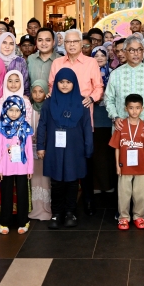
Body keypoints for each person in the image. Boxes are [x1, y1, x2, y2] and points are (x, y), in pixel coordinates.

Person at [36, 68, 94, 229]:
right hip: (54, 148)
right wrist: (40, 146)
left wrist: (88, 148)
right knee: (56, 182)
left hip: (75, 149)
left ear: (74, 83)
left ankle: (70, 213)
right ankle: (56, 213)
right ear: (56, 83)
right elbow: (42, 125)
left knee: (72, 181)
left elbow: (87, 127)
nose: (64, 85)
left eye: (68, 82)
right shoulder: (49, 103)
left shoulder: (82, 103)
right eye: (61, 82)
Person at [109, 93, 144, 230]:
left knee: (140, 193)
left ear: (142, 109)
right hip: (124, 167)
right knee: (124, 193)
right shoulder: (121, 126)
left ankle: (138, 216)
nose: (134, 111)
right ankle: (123, 217)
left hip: (141, 167)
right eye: (131, 108)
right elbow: (117, 147)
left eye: (137, 108)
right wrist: (117, 165)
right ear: (126, 109)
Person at [0, 95, 34, 234]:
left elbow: (29, 150)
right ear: (5, 110)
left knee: (22, 194)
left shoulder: (26, 127)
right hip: (5, 168)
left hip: (22, 167)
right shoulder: (1, 127)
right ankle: (4, 222)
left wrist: (30, 169)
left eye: (17, 110)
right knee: (6, 194)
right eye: (11, 110)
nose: (14, 113)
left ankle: (23, 221)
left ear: (22, 111)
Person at [28, 80, 52, 221]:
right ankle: (35, 208)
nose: (37, 95)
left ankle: (47, 208)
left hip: (46, 150)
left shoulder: (49, 109)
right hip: (30, 151)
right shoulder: (28, 109)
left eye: (41, 91)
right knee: (34, 178)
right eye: (34, 92)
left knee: (46, 178)